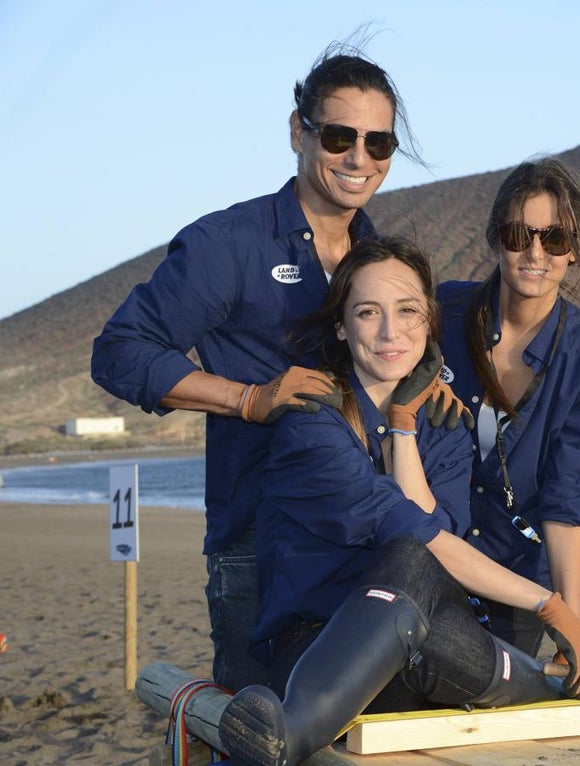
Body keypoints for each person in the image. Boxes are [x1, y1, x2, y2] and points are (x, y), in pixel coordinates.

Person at [90, 45, 463, 692]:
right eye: (341, 136)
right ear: (299, 132)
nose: (358, 158)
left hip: (363, 543)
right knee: (263, 732)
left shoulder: (376, 256)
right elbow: (121, 350)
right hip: (255, 549)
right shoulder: (230, 244)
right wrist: (249, 398)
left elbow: (396, 349)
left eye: (379, 144)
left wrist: (431, 381)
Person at [219, 236, 580, 766]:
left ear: (429, 322)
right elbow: (418, 537)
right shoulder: (311, 421)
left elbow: (436, 543)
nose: (389, 332)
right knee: (411, 560)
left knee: (426, 607)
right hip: (319, 655)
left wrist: (404, 428)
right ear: (341, 326)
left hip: (419, 643)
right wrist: (549, 604)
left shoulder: (443, 427)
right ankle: (293, 731)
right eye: (367, 312)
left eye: (407, 311)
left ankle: (556, 692)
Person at [437, 158, 580, 656]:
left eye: (554, 239)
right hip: (428, 555)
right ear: (496, 238)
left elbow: (568, 502)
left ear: (574, 250)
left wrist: (571, 626)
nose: (535, 253)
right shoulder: (440, 316)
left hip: (516, 580)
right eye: (519, 234)